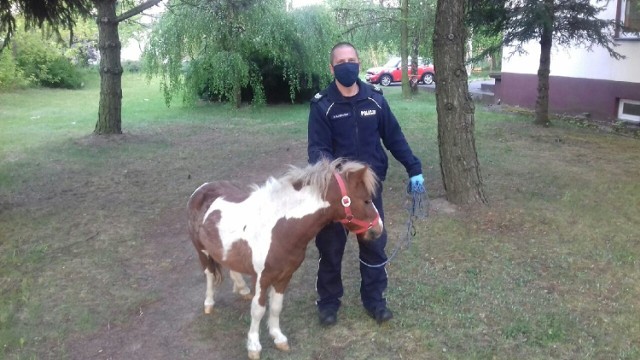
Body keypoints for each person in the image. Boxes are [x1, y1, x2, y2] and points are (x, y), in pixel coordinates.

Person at [307, 42, 425, 326]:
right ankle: (328, 302)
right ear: (332, 67)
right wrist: (338, 184)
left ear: (359, 63)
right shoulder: (323, 104)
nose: (347, 65)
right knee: (331, 248)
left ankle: (375, 300)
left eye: (352, 60)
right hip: (336, 197)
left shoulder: (375, 99)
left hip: (369, 193)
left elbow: (393, 137)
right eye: (341, 61)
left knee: (374, 245)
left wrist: (414, 168)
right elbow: (317, 152)